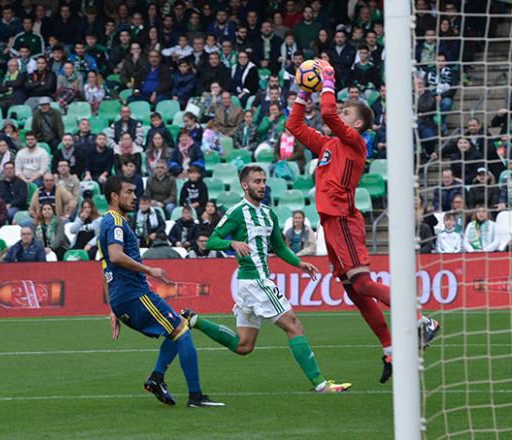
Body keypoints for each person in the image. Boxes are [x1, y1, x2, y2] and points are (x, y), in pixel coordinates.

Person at [286, 60, 440, 383]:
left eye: (345, 114)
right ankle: (392, 349)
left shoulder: (355, 144)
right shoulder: (329, 145)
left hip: (342, 217)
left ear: (356, 123)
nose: (339, 115)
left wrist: (327, 79)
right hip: (331, 223)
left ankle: (422, 321)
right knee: (355, 293)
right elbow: (295, 127)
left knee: (364, 284)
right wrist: (303, 91)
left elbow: (327, 113)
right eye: (340, 112)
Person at [183, 165, 350, 393]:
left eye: (263, 181)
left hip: (247, 285)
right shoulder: (237, 212)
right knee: (294, 325)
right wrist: (232, 244)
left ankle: (195, 321)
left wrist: (298, 263)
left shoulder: (269, 214)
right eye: (257, 182)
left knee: (244, 346)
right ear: (245, 185)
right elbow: (212, 240)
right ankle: (321, 384)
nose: (262, 186)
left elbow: (279, 247)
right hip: (256, 281)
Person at [99, 176, 222, 407]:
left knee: (178, 325)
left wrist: (112, 308)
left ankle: (157, 378)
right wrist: (149, 270)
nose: (134, 197)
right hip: (133, 294)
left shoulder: (108, 222)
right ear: (115, 196)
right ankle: (195, 397)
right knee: (182, 330)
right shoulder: (115, 222)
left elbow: (105, 265)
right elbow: (115, 257)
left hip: (123, 297)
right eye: (128, 192)